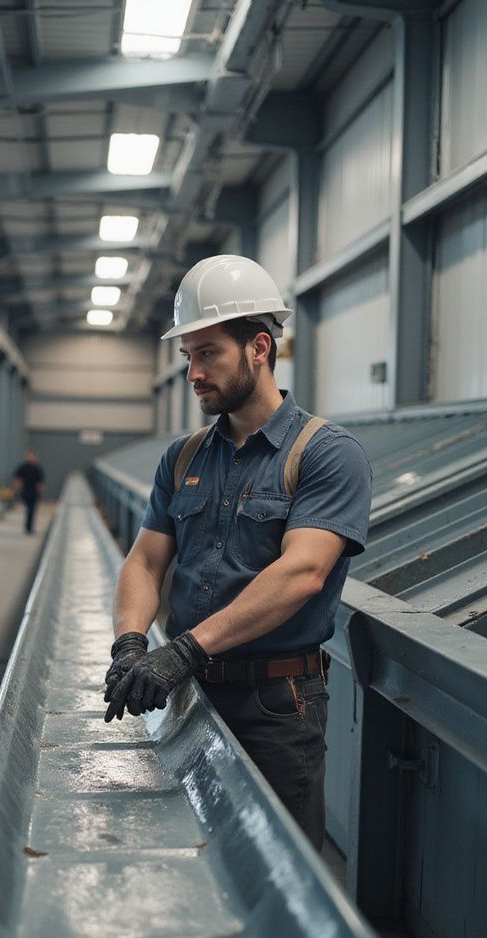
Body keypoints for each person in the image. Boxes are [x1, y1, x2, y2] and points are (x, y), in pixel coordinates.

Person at [103, 254, 372, 851]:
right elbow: (146, 561)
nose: (193, 373)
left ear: (258, 347)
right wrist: (130, 644)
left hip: (274, 707)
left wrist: (182, 651)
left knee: (278, 865)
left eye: (207, 354)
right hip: (188, 694)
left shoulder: (326, 454)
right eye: (188, 357)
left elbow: (301, 574)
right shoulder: (184, 457)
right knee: (187, 853)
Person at [12, 450, 45, 534]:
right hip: (26, 491)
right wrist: (16, 490)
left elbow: (40, 482)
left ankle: (29, 527)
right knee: (29, 509)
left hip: (33, 492)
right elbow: (17, 479)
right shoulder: (23, 467)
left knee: (31, 510)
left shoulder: (37, 468)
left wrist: (39, 492)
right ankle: (28, 527)